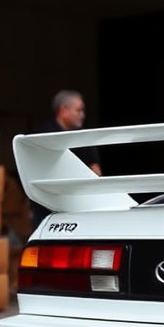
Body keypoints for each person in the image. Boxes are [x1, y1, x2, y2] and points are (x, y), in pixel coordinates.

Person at [29, 90, 102, 229]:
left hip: (79, 208)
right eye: (78, 110)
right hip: (47, 210)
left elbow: (96, 172)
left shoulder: (84, 138)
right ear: (63, 110)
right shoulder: (43, 137)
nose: (82, 115)